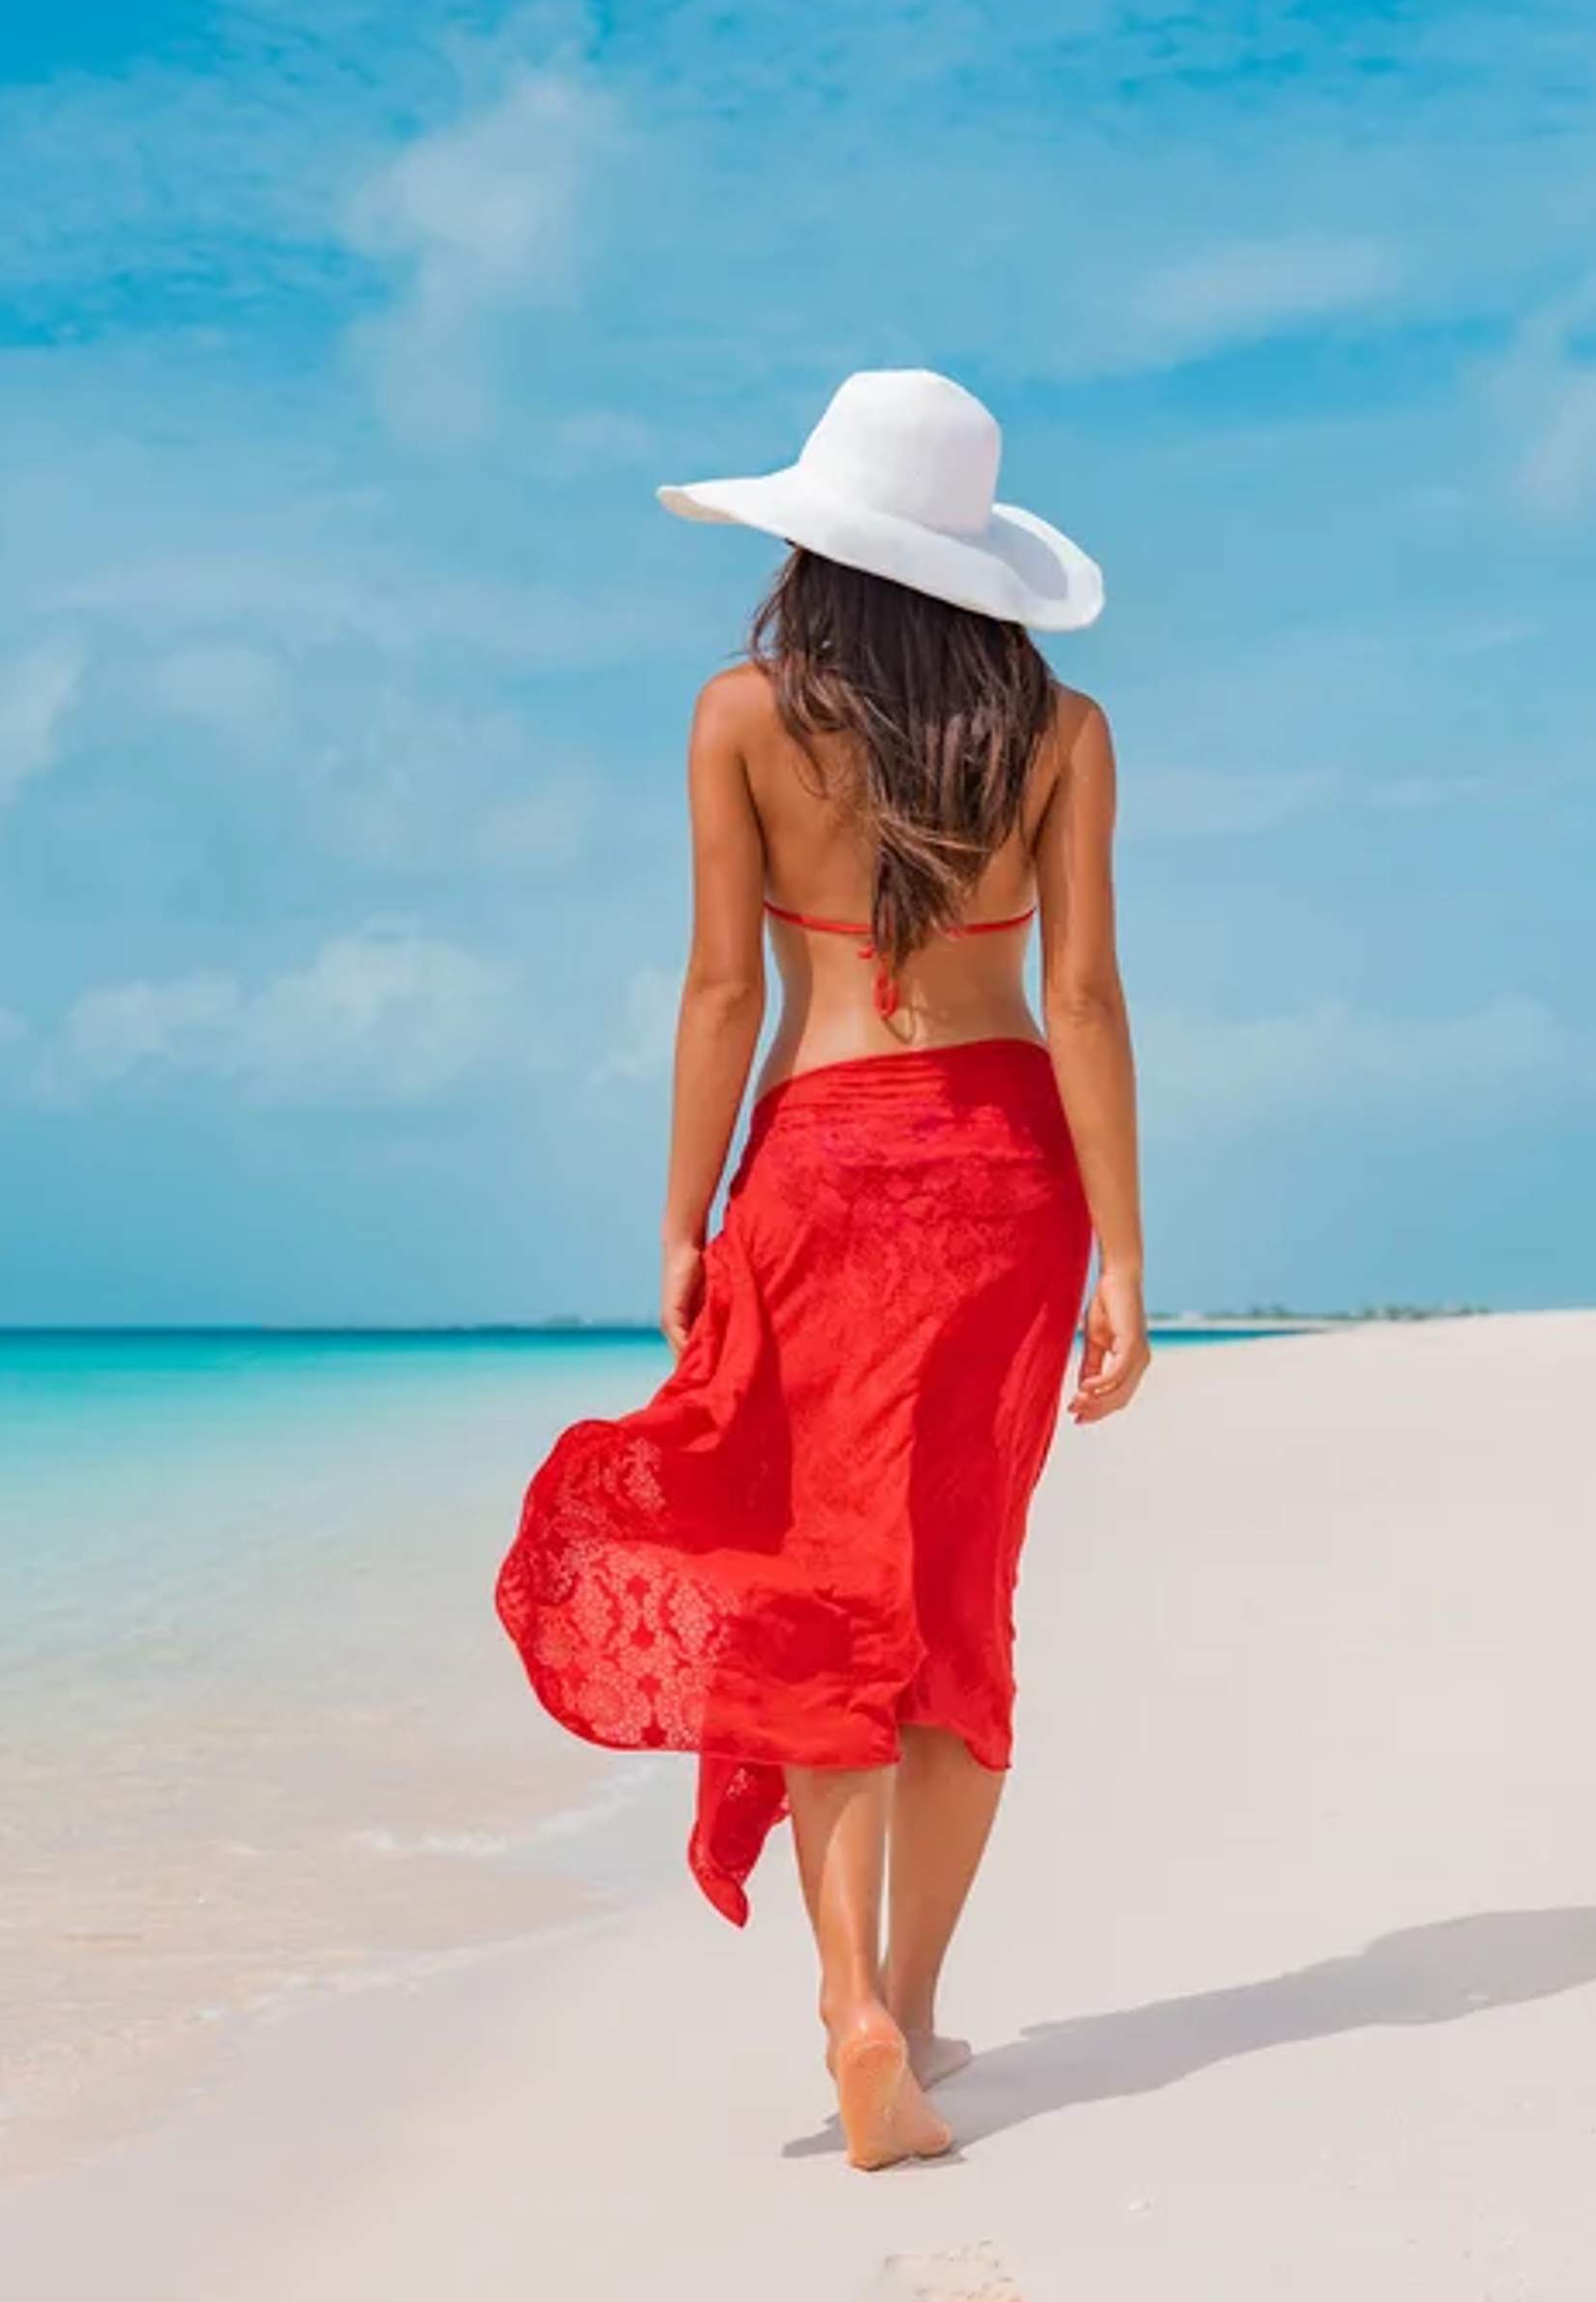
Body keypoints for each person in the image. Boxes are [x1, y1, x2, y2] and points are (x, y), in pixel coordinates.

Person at [492, 368, 1149, 2171]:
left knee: (822, 1597)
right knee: (955, 1597)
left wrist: (684, 1220)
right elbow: (1080, 999)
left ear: (815, 543)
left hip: (819, 1170)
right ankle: (915, 2014)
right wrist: (1132, 1266)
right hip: (1009, 1188)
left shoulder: (738, 719)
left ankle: (852, 2001)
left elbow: (723, 989)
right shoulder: (1065, 732)